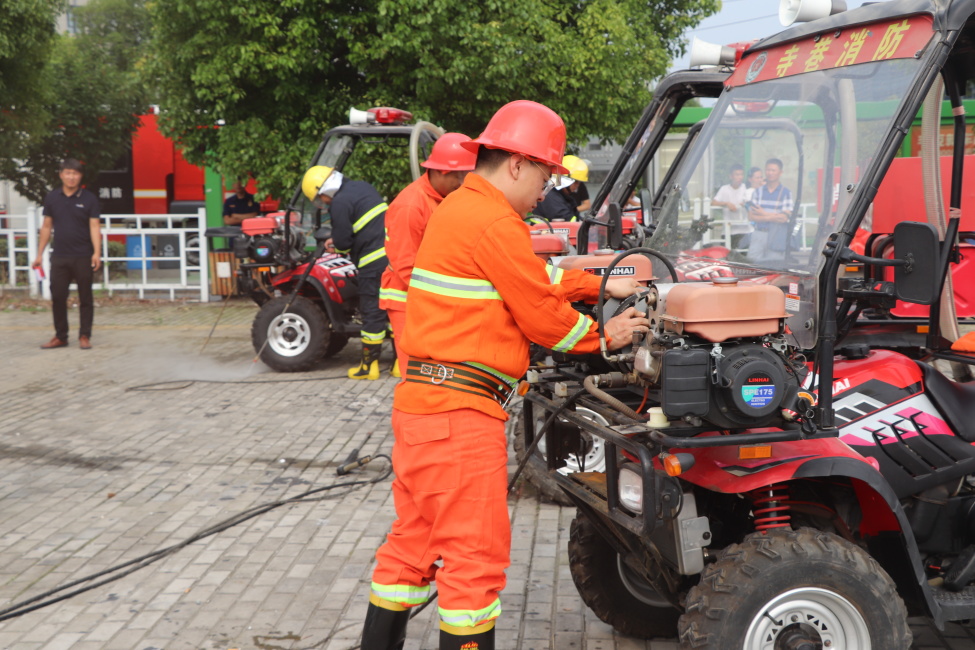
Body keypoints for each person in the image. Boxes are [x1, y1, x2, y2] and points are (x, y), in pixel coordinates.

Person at [361, 100, 649, 650]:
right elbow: (542, 314)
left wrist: (599, 286)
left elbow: (530, 273)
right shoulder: (494, 219)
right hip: (460, 420)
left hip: (422, 407)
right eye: (545, 173)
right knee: (474, 563)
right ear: (516, 163)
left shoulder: (460, 209)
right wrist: (604, 337)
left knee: (411, 546)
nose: (546, 188)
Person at [379, 133, 477, 379]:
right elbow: (406, 268)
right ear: (442, 171)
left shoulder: (443, 198)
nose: (464, 182)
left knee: (438, 374)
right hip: (408, 302)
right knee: (416, 375)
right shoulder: (411, 207)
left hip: (430, 300)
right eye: (460, 176)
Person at [302, 166, 388, 379]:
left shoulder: (339, 202)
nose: (323, 202)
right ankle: (399, 365)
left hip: (372, 262)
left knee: (371, 312)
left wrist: (335, 244)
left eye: (320, 197)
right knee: (393, 310)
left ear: (324, 189)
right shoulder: (362, 187)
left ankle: (369, 367)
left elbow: (343, 242)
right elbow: (363, 226)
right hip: (392, 257)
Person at [32, 159, 102, 350]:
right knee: (58, 296)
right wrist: (39, 254)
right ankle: (60, 336)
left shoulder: (89, 199)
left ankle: (84, 335)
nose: (71, 177)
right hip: (60, 256)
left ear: (80, 176)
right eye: (68, 173)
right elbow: (47, 226)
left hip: (83, 255)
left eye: (75, 173)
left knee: (85, 297)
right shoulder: (52, 197)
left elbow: (95, 226)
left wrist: (96, 253)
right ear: (61, 174)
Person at [747, 158, 794, 262]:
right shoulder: (757, 192)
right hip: (759, 233)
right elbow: (751, 217)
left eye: (773, 170)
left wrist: (763, 213)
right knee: (752, 264)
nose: (770, 173)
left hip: (777, 236)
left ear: (780, 172)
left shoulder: (786, 192)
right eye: (768, 170)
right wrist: (774, 216)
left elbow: (784, 218)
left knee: (774, 266)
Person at [531, 154, 589, 221]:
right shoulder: (551, 197)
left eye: (579, 182)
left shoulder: (559, 195)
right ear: (564, 180)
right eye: (576, 182)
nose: (578, 185)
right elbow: (566, 219)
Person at [711, 164, 750, 248]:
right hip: (728, 230)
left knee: (742, 257)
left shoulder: (745, 188)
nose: (740, 177)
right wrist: (726, 203)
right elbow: (713, 202)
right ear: (731, 176)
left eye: (741, 174)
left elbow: (751, 202)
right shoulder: (724, 189)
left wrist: (745, 204)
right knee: (726, 256)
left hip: (744, 230)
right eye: (737, 174)